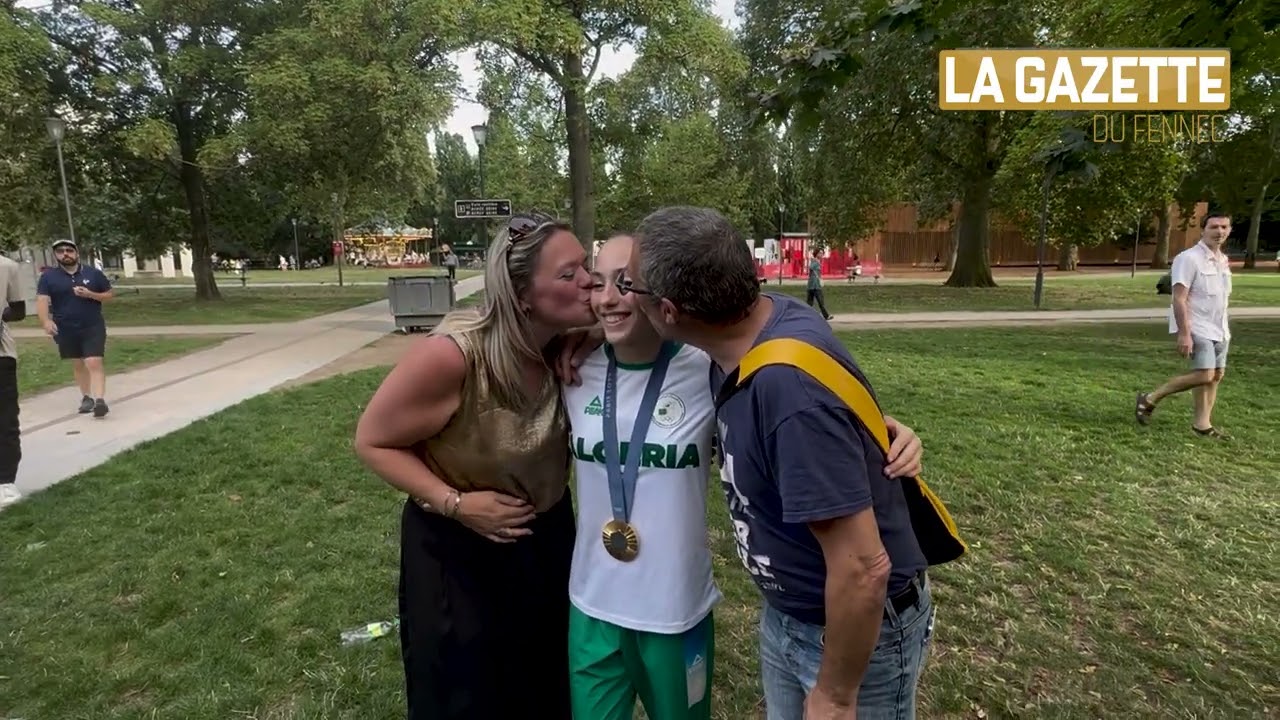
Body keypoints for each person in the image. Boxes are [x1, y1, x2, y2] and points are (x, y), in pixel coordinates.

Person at [563, 235, 927, 720]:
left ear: (667, 308)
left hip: (811, 622)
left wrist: (886, 432)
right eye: (599, 283)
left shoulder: (721, 368)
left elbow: (862, 562)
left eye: (628, 284)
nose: (610, 297)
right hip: (780, 615)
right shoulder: (577, 366)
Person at [353, 211, 595, 720]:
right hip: (457, 554)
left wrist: (588, 335)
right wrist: (457, 504)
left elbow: (655, 322)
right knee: (465, 696)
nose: (589, 280)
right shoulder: (454, 356)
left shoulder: (566, 347)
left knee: (547, 687)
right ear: (522, 294)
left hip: (548, 542)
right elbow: (373, 441)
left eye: (587, 265)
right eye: (569, 274)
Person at [1135, 212, 1233, 438]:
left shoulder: (1223, 260)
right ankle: (1150, 398)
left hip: (1220, 328)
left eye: (1224, 227)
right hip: (1197, 326)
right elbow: (1178, 298)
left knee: (1216, 375)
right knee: (1204, 375)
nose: (1219, 232)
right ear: (1203, 229)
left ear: (1229, 230)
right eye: (1214, 227)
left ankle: (1202, 425)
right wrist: (1184, 334)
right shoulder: (1188, 258)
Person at [35, 239, 114, 418]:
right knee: (78, 362)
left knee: (94, 361)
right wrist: (45, 321)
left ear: (76, 253)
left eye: (69, 250)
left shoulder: (93, 274)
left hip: (92, 324)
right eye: (60, 251)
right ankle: (86, 397)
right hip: (65, 326)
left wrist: (90, 294)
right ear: (56, 255)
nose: (65, 254)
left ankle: (100, 401)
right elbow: (41, 300)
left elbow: (109, 295)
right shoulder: (48, 277)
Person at [1, 254, 27, 509]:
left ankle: (5, 481)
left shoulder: (6, 266)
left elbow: (19, 310)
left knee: (5, 417)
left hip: (1, 354)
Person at [805, 248, 832, 320]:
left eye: (822, 253)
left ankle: (807, 316)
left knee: (811, 302)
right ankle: (825, 316)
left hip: (813, 284)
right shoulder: (815, 261)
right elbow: (811, 268)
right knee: (819, 301)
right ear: (816, 254)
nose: (821, 254)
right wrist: (815, 261)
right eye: (820, 253)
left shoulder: (817, 261)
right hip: (814, 285)